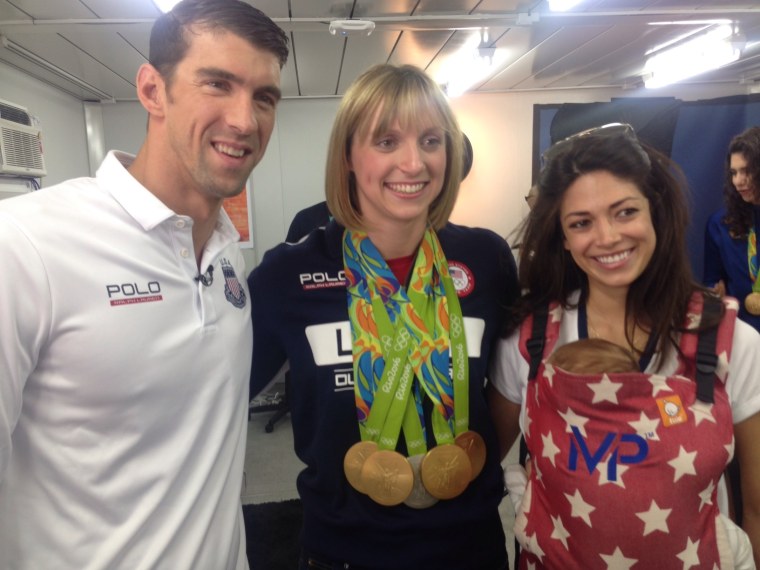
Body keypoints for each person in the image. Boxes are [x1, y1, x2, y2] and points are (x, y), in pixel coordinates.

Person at [0, 1, 288, 568]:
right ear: (153, 90)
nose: (244, 119)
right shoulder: (25, 245)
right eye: (217, 84)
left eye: (264, 97)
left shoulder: (227, 257)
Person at [248, 63, 520, 570]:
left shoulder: (486, 259)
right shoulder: (289, 273)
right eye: (387, 141)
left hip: (471, 547)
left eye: (432, 141)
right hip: (343, 551)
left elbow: (511, 388)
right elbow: (217, 399)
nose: (413, 163)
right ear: (348, 155)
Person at [488, 123, 760, 568]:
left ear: (655, 211)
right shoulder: (530, 341)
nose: (608, 237)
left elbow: (757, 508)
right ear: (562, 236)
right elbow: (484, 462)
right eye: (581, 222)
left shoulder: (732, 342)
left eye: (624, 212)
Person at [704, 126, 760, 333]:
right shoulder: (719, 224)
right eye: (734, 173)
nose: (738, 181)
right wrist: (713, 293)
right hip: (741, 334)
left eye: (747, 171)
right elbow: (711, 280)